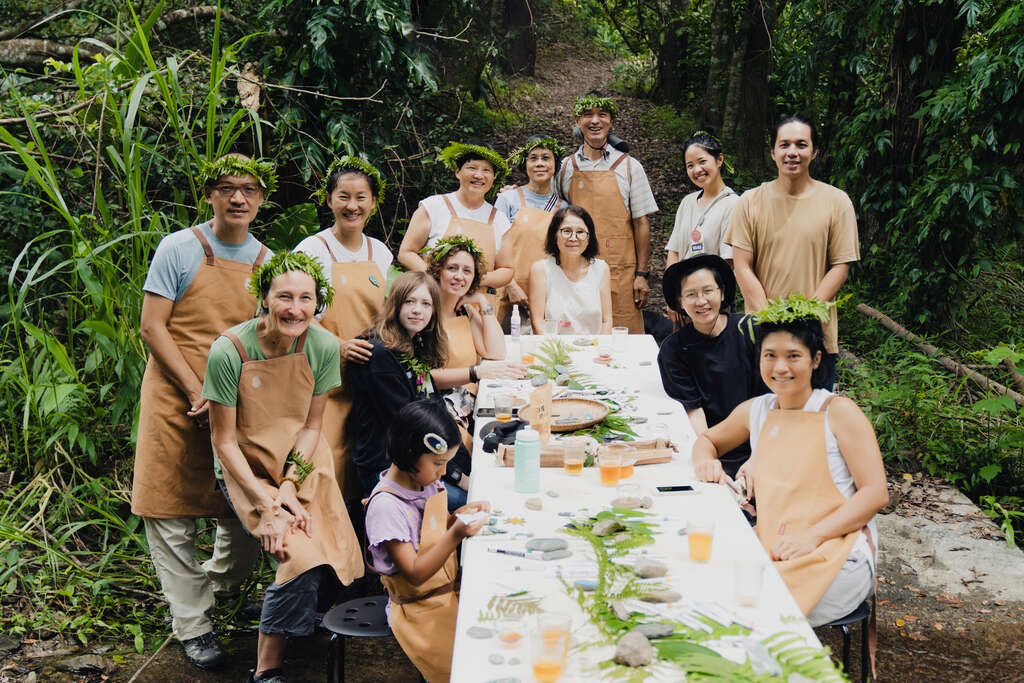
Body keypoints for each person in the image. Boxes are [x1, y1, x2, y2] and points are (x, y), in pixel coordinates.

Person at [130, 153, 272, 670]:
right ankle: (193, 623)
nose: (238, 198)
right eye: (227, 188)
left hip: (236, 402)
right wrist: (196, 389)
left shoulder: (266, 261)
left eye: (249, 189)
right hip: (173, 394)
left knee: (242, 508)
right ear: (209, 194)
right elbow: (152, 327)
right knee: (168, 509)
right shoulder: (179, 248)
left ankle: (215, 589)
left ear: (261, 200)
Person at [203, 252, 363, 683]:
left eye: (306, 298)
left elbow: (313, 426)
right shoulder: (229, 350)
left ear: (317, 303)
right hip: (246, 463)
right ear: (264, 299)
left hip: (303, 456)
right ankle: (266, 671)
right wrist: (267, 502)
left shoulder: (324, 345)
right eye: (285, 297)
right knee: (298, 553)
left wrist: (290, 487)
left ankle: (302, 623)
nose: (295, 309)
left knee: (321, 541)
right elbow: (223, 440)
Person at [692, 295, 887, 627]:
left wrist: (812, 536)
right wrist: (706, 462)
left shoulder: (838, 412)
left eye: (793, 356)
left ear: (816, 360)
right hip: (776, 547)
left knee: (744, 613)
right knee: (705, 587)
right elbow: (707, 440)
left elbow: (875, 493)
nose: (780, 367)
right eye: (770, 356)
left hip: (837, 553)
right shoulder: (758, 410)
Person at [724, 114, 860, 389]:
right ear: (773, 151)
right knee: (764, 421)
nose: (792, 152)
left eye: (801, 144)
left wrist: (806, 314)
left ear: (814, 151)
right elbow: (741, 264)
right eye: (784, 145)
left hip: (814, 335)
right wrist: (769, 318)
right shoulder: (750, 202)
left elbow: (840, 266)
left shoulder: (837, 202)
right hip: (761, 334)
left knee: (811, 424)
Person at [364, 400, 491, 683]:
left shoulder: (425, 481)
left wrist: (459, 517)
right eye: (438, 463)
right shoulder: (386, 507)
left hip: (448, 594)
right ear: (410, 455)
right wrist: (455, 534)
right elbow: (415, 573)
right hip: (419, 611)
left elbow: (435, 527)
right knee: (459, 671)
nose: (443, 472)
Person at [294, 156, 391, 500]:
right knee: (327, 460)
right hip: (325, 376)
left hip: (371, 377)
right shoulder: (312, 250)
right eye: (343, 196)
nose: (352, 206)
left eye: (361, 197)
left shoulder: (379, 252)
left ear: (374, 203)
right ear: (329, 199)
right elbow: (296, 317)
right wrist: (339, 345)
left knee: (367, 461)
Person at [556, 91, 658, 333]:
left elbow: (641, 223)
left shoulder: (631, 167)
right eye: (587, 115)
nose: (595, 121)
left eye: (602, 114)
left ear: (611, 121)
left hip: (620, 271)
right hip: (574, 270)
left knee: (622, 338)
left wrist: (641, 274)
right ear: (577, 121)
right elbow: (548, 210)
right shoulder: (565, 168)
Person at [657, 254, 764, 479]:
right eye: (691, 294)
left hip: (764, 441)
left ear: (722, 293)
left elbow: (772, 401)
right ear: (679, 302)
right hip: (714, 444)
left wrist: (758, 458)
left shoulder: (752, 331)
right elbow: (693, 409)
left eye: (708, 291)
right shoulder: (673, 350)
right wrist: (710, 457)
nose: (701, 301)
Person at [398, 141, 515, 305]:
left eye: (486, 170)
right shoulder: (433, 206)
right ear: (458, 171)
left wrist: (472, 279)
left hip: (478, 308)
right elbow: (406, 252)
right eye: (472, 168)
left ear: (493, 178)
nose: (479, 175)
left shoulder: (499, 219)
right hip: (432, 302)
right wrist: (438, 277)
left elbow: (507, 269)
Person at [493, 135, 566, 327]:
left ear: (555, 165)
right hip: (509, 292)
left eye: (546, 158)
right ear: (525, 165)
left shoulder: (564, 207)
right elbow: (493, 246)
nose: (540, 163)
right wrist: (511, 286)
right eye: (533, 158)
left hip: (549, 294)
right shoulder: (508, 199)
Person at [528, 205, 612, 335]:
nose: (573, 238)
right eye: (566, 231)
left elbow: (606, 321)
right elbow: (538, 322)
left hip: (593, 349)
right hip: (555, 350)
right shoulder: (540, 269)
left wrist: (600, 350)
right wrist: (556, 352)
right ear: (555, 235)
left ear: (589, 238)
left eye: (580, 232)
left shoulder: (601, 269)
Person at [664, 130, 738, 267]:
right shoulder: (687, 202)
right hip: (681, 286)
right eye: (690, 165)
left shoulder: (733, 204)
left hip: (712, 286)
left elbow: (728, 262)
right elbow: (674, 252)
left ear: (719, 160)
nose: (697, 170)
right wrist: (672, 285)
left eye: (702, 161)